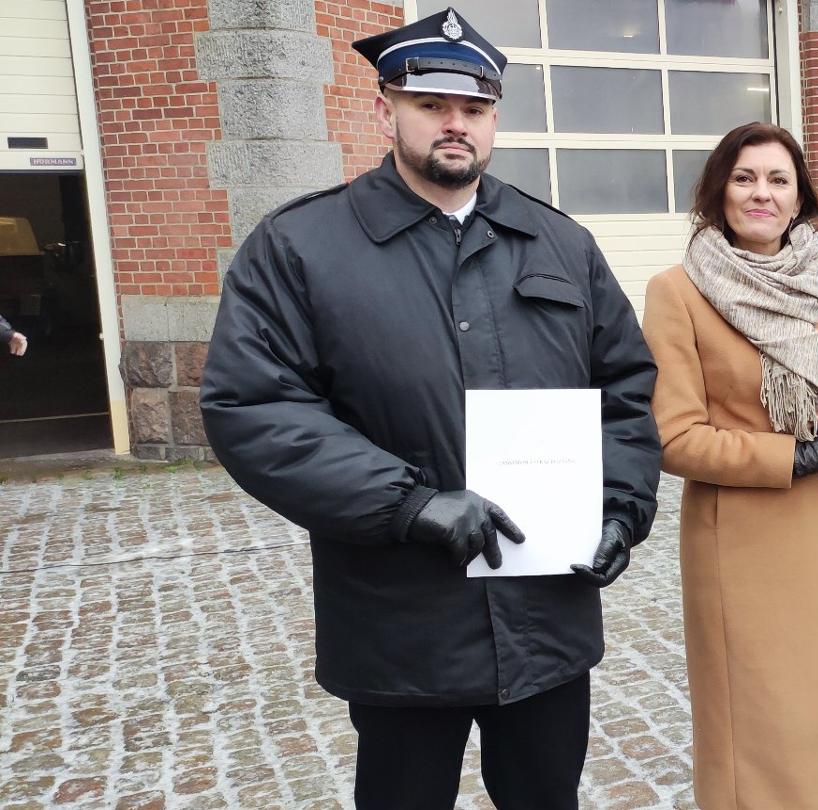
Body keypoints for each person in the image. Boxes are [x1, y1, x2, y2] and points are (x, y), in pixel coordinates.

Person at [198, 9, 661, 808]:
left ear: (493, 120)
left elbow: (624, 391)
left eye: (475, 110)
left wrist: (620, 510)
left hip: (545, 616)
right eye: (431, 105)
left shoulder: (560, 244)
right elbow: (254, 406)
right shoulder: (302, 246)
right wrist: (410, 505)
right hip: (402, 624)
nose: (456, 125)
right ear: (385, 109)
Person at [640, 122, 818, 810]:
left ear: (799, 196)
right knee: (764, 747)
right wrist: (799, 455)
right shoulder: (678, 292)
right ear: (717, 189)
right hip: (745, 547)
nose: (761, 193)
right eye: (745, 177)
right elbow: (675, 437)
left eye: (778, 179)